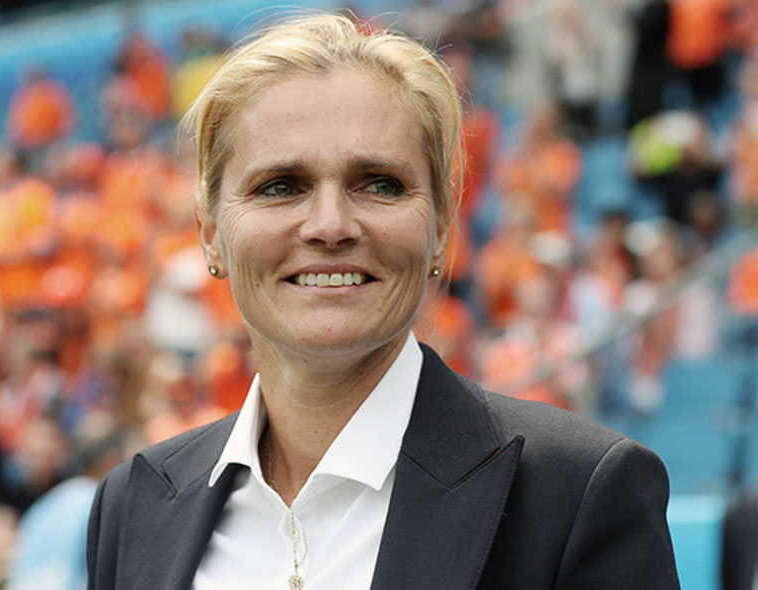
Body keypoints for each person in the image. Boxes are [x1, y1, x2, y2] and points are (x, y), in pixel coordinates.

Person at [86, 14, 679, 589]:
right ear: (210, 230)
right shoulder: (133, 505)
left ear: (442, 226)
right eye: (280, 186)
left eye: (379, 184)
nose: (330, 225)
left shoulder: (575, 492)